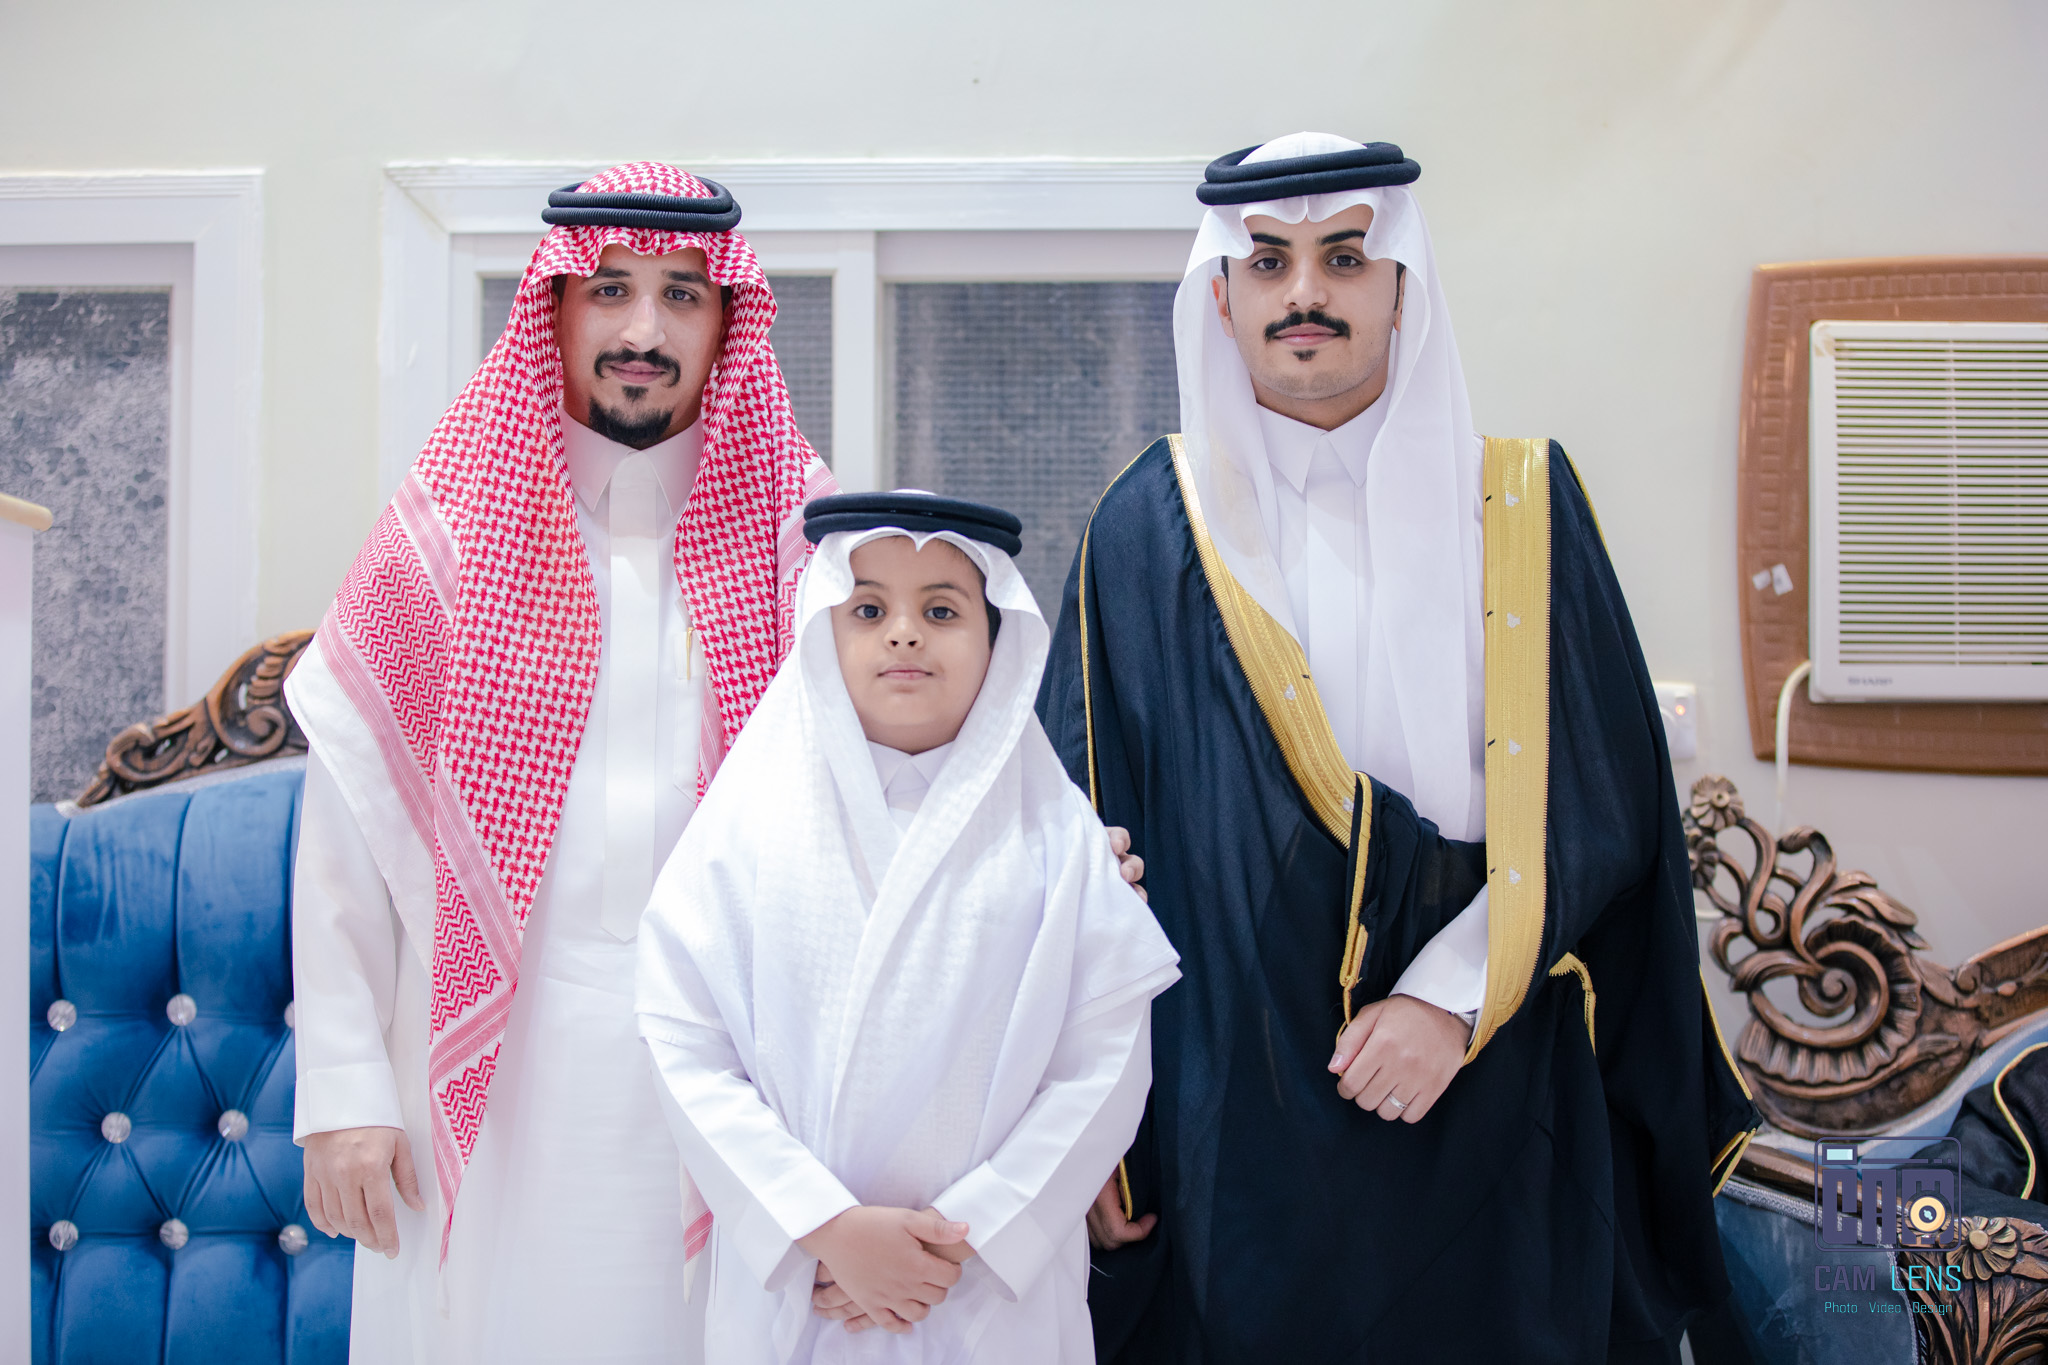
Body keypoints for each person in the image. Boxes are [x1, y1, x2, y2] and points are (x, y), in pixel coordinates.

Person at [1036, 133, 1761, 1362]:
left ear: (1399, 288)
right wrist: (1094, 1133)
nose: (1303, 292)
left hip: (1492, 1079)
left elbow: (1602, 806)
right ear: (1220, 296)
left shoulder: (1523, 503)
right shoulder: (1147, 524)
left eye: (1342, 258)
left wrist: (1446, 998)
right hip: (1239, 1104)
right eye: (1268, 262)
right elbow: (1079, 828)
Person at [283, 163, 838, 1363]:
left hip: (724, 1077)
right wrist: (344, 1089)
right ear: (555, 306)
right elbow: (346, 828)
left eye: (682, 295)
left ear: (727, 321)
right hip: (490, 1075)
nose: (644, 331)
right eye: (611, 289)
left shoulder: (804, 546)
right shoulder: (450, 528)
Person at [636, 490, 1181, 1363]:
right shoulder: (747, 824)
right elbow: (684, 1041)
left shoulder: (1057, 836)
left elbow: (1104, 1064)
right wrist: (822, 1224)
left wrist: (971, 1231)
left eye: (940, 610)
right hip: (807, 1287)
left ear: (997, 639)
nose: (903, 634)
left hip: (986, 1291)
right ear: (824, 631)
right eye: (868, 610)